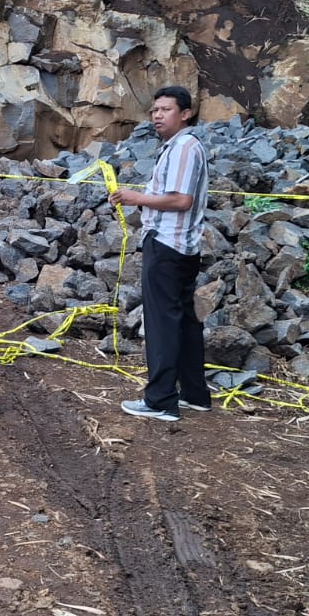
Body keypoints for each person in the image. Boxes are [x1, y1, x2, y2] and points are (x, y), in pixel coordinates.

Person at [108, 85, 212, 423]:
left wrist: (134, 198)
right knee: (184, 321)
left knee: (162, 324)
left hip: (169, 245)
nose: (157, 115)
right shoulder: (180, 147)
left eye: (165, 110)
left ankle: (161, 400)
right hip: (182, 246)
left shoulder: (183, 148)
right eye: (155, 110)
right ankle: (195, 394)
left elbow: (181, 200)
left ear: (185, 114)